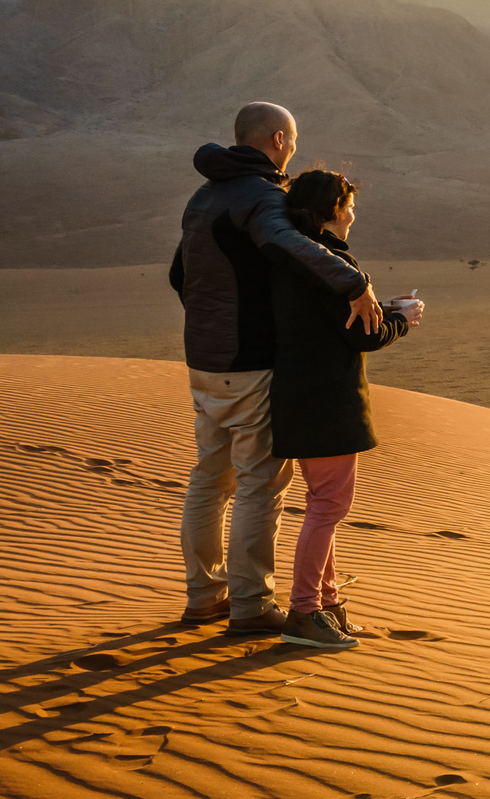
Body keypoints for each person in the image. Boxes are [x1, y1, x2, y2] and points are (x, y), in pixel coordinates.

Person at [169, 103, 383, 636]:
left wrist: (212, 319)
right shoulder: (263, 196)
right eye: (292, 141)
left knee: (209, 478)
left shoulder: (205, 196)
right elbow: (285, 241)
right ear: (280, 139)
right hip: (248, 362)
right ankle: (249, 605)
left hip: (203, 361)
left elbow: (180, 275)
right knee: (261, 485)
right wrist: (354, 283)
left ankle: (203, 597)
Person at [264, 168, 422, 649]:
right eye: (349, 206)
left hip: (300, 393)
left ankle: (327, 604)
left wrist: (384, 310)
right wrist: (401, 320)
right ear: (333, 210)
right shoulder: (330, 262)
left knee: (322, 503)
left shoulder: (294, 257)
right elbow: (361, 334)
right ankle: (305, 612)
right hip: (326, 400)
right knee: (330, 506)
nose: (353, 214)